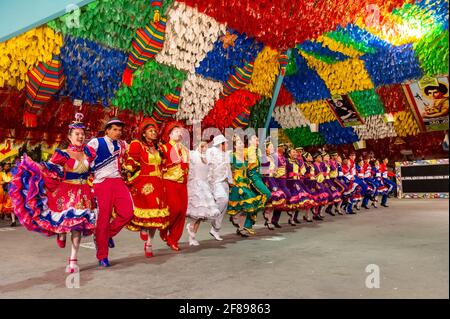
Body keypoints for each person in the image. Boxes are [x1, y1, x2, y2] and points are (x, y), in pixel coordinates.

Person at [9, 114, 97, 272]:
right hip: (67, 193)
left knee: (77, 227)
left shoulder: (89, 153)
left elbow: (94, 170)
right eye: (77, 134)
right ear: (69, 136)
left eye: (82, 134)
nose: (80, 136)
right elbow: (47, 168)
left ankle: (72, 260)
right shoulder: (62, 154)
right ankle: (60, 233)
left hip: (84, 195)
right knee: (67, 223)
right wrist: (33, 165)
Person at [87, 118, 134, 267]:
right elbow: (84, 158)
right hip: (101, 183)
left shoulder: (122, 145)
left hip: (118, 182)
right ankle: (102, 255)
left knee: (128, 212)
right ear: (107, 130)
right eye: (114, 129)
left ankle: (106, 235)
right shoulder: (96, 142)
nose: (118, 132)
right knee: (103, 218)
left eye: (120, 130)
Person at [123, 118, 170, 257]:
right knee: (147, 210)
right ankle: (143, 227)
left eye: (155, 131)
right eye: (151, 131)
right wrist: (128, 168)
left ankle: (149, 243)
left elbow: (165, 164)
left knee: (157, 215)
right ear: (144, 133)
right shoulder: (138, 145)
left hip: (159, 183)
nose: (154, 133)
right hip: (145, 183)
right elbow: (131, 159)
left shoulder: (160, 147)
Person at [159, 121, 190, 251]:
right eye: (176, 131)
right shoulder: (163, 148)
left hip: (182, 183)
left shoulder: (185, 150)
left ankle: (174, 239)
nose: (179, 133)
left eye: (180, 131)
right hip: (169, 182)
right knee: (174, 209)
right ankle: (164, 229)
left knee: (182, 211)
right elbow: (159, 166)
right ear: (169, 134)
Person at [185, 141, 221, 246]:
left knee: (201, 216)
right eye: (202, 146)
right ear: (197, 147)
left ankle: (192, 236)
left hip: (204, 187)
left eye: (206, 146)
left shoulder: (208, 159)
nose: (204, 148)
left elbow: (210, 175)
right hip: (195, 187)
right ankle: (191, 233)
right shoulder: (193, 156)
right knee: (195, 214)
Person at [227, 135, 262, 237]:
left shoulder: (244, 157)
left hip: (245, 184)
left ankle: (241, 228)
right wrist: (230, 182)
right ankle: (234, 219)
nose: (241, 144)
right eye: (238, 142)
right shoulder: (232, 156)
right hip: (236, 184)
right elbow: (227, 169)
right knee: (240, 206)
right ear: (234, 145)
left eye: (241, 142)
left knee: (245, 207)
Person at [205, 134, 233, 241]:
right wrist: (209, 182)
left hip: (224, 182)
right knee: (223, 199)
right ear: (220, 144)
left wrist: (230, 181)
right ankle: (212, 215)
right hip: (216, 182)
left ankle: (215, 229)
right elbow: (209, 168)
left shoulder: (226, 154)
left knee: (224, 205)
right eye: (225, 143)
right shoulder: (211, 152)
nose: (227, 144)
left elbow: (228, 168)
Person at [245, 135, 272, 234]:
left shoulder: (258, 151)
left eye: (257, 139)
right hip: (253, 178)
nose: (257, 140)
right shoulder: (248, 151)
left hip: (259, 177)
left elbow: (263, 167)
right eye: (255, 139)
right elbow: (246, 166)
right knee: (267, 194)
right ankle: (252, 216)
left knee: (256, 200)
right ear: (250, 141)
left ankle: (248, 224)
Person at [261, 139, 287, 230]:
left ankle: (269, 220)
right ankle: (267, 218)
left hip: (273, 179)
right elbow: (263, 171)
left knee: (276, 200)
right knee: (271, 199)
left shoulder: (272, 158)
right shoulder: (263, 157)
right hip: (267, 180)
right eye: (270, 147)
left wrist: (276, 173)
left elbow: (276, 169)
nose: (272, 148)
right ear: (266, 148)